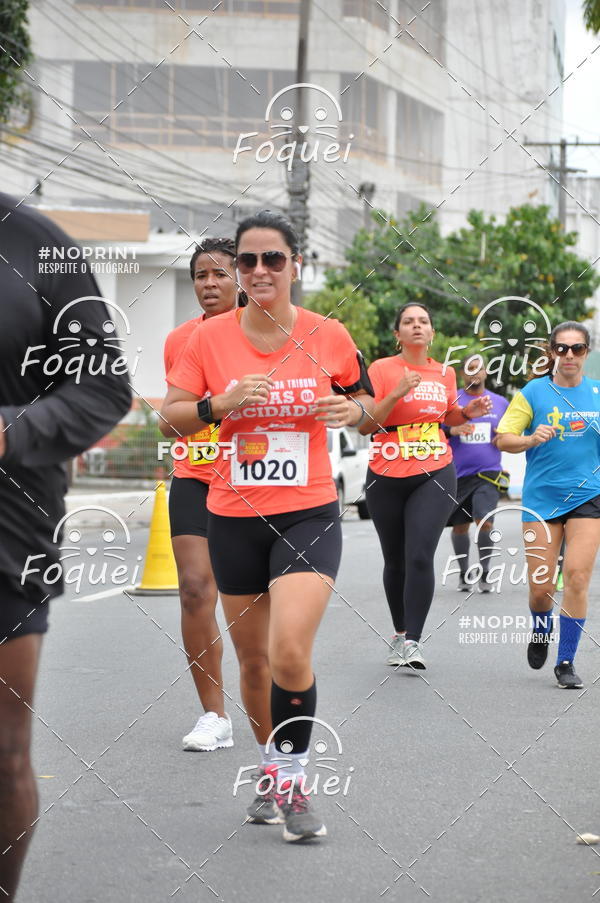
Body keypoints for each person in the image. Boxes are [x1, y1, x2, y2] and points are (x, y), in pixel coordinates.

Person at [162, 210, 374, 842]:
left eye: (272, 260)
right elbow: (172, 420)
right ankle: (274, 767)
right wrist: (217, 405)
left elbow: (366, 408)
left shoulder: (326, 333)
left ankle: (294, 776)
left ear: (294, 266)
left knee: (289, 649)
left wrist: (352, 407)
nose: (258, 271)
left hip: (308, 510)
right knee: (254, 663)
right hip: (232, 516)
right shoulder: (208, 340)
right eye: (248, 261)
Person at [0, 193, 131, 901]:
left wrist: (8, 429)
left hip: (8, 531)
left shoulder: (37, 246)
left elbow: (104, 387)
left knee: (2, 753)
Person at [359, 304, 491, 670]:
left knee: (419, 554)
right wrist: (396, 392)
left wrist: (467, 413)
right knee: (395, 558)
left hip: (435, 469)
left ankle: (414, 642)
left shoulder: (445, 373)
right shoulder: (382, 369)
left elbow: (448, 415)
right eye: (408, 322)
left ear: (432, 333)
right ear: (397, 334)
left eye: (423, 322)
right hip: (385, 471)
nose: (417, 327)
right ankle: (399, 633)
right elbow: (369, 423)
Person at [160, 238, 242, 752]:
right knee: (194, 589)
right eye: (199, 275)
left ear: (241, 279)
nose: (208, 284)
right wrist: (215, 406)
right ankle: (214, 714)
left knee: (252, 602)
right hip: (195, 474)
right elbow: (173, 418)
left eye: (219, 274)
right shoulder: (179, 340)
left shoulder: (264, 335)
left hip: (255, 482)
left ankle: (271, 701)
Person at [496, 321, 600, 689]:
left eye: (577, 349)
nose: (569, 355)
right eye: (562, 348)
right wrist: (529, 439)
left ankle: (566, 660)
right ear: (551, 352)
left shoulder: (598, 393)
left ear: (587, 353)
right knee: (542, 588)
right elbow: (503, 439)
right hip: (542, 498)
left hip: (589, 497)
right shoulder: (534, 393)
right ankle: (540, 629)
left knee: (578, 576)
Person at [445, 356, 509, 593]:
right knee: (460, 526)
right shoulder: (453, 400)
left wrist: (502, 437)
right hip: (457, 475)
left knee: (485, 520)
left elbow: (510, 431)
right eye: (469, 369)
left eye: (478, 369)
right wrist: (454, 429)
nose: (474, 374)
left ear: (485, 373)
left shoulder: (500, 402)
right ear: (463, 374)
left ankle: (485, 572)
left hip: (488, 474)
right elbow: (438, 430)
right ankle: (463, 573)